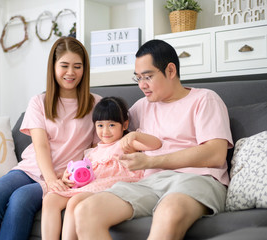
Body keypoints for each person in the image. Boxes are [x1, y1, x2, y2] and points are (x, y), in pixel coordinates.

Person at [73, 39, 234, 240]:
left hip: (198, 179)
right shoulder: (141, 107)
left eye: (147, 76)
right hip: (150, 184)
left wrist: (151, 161)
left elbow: (215, 154)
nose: (142, 85)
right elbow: (107, 138)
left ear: (171, 70)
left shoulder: (205, 99)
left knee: (168, 211)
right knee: (85, 211)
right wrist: (73, 169)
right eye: (138, 78)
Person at [0, 37, 102, 240]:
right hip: (32, 169)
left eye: (77, 66)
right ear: (53, 67)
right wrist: (50, 179)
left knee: (20, 200)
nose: (71, 72)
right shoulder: (39, 102)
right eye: (64, 66)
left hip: (67, 175)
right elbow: (40, 145)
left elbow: (97, 150)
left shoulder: (96, 104)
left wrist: (71, 175)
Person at [41, 96, 162, 240]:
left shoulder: (126, 144)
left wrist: (135, 135)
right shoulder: (93, 151)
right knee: (50, 199)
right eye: (100, 125)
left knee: (74, 202)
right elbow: (82, 170)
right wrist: (66, 175)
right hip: (92, 185)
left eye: (111, 125)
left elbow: (156, 144)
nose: (105, 131)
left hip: (114, 185)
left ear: (124, 125)